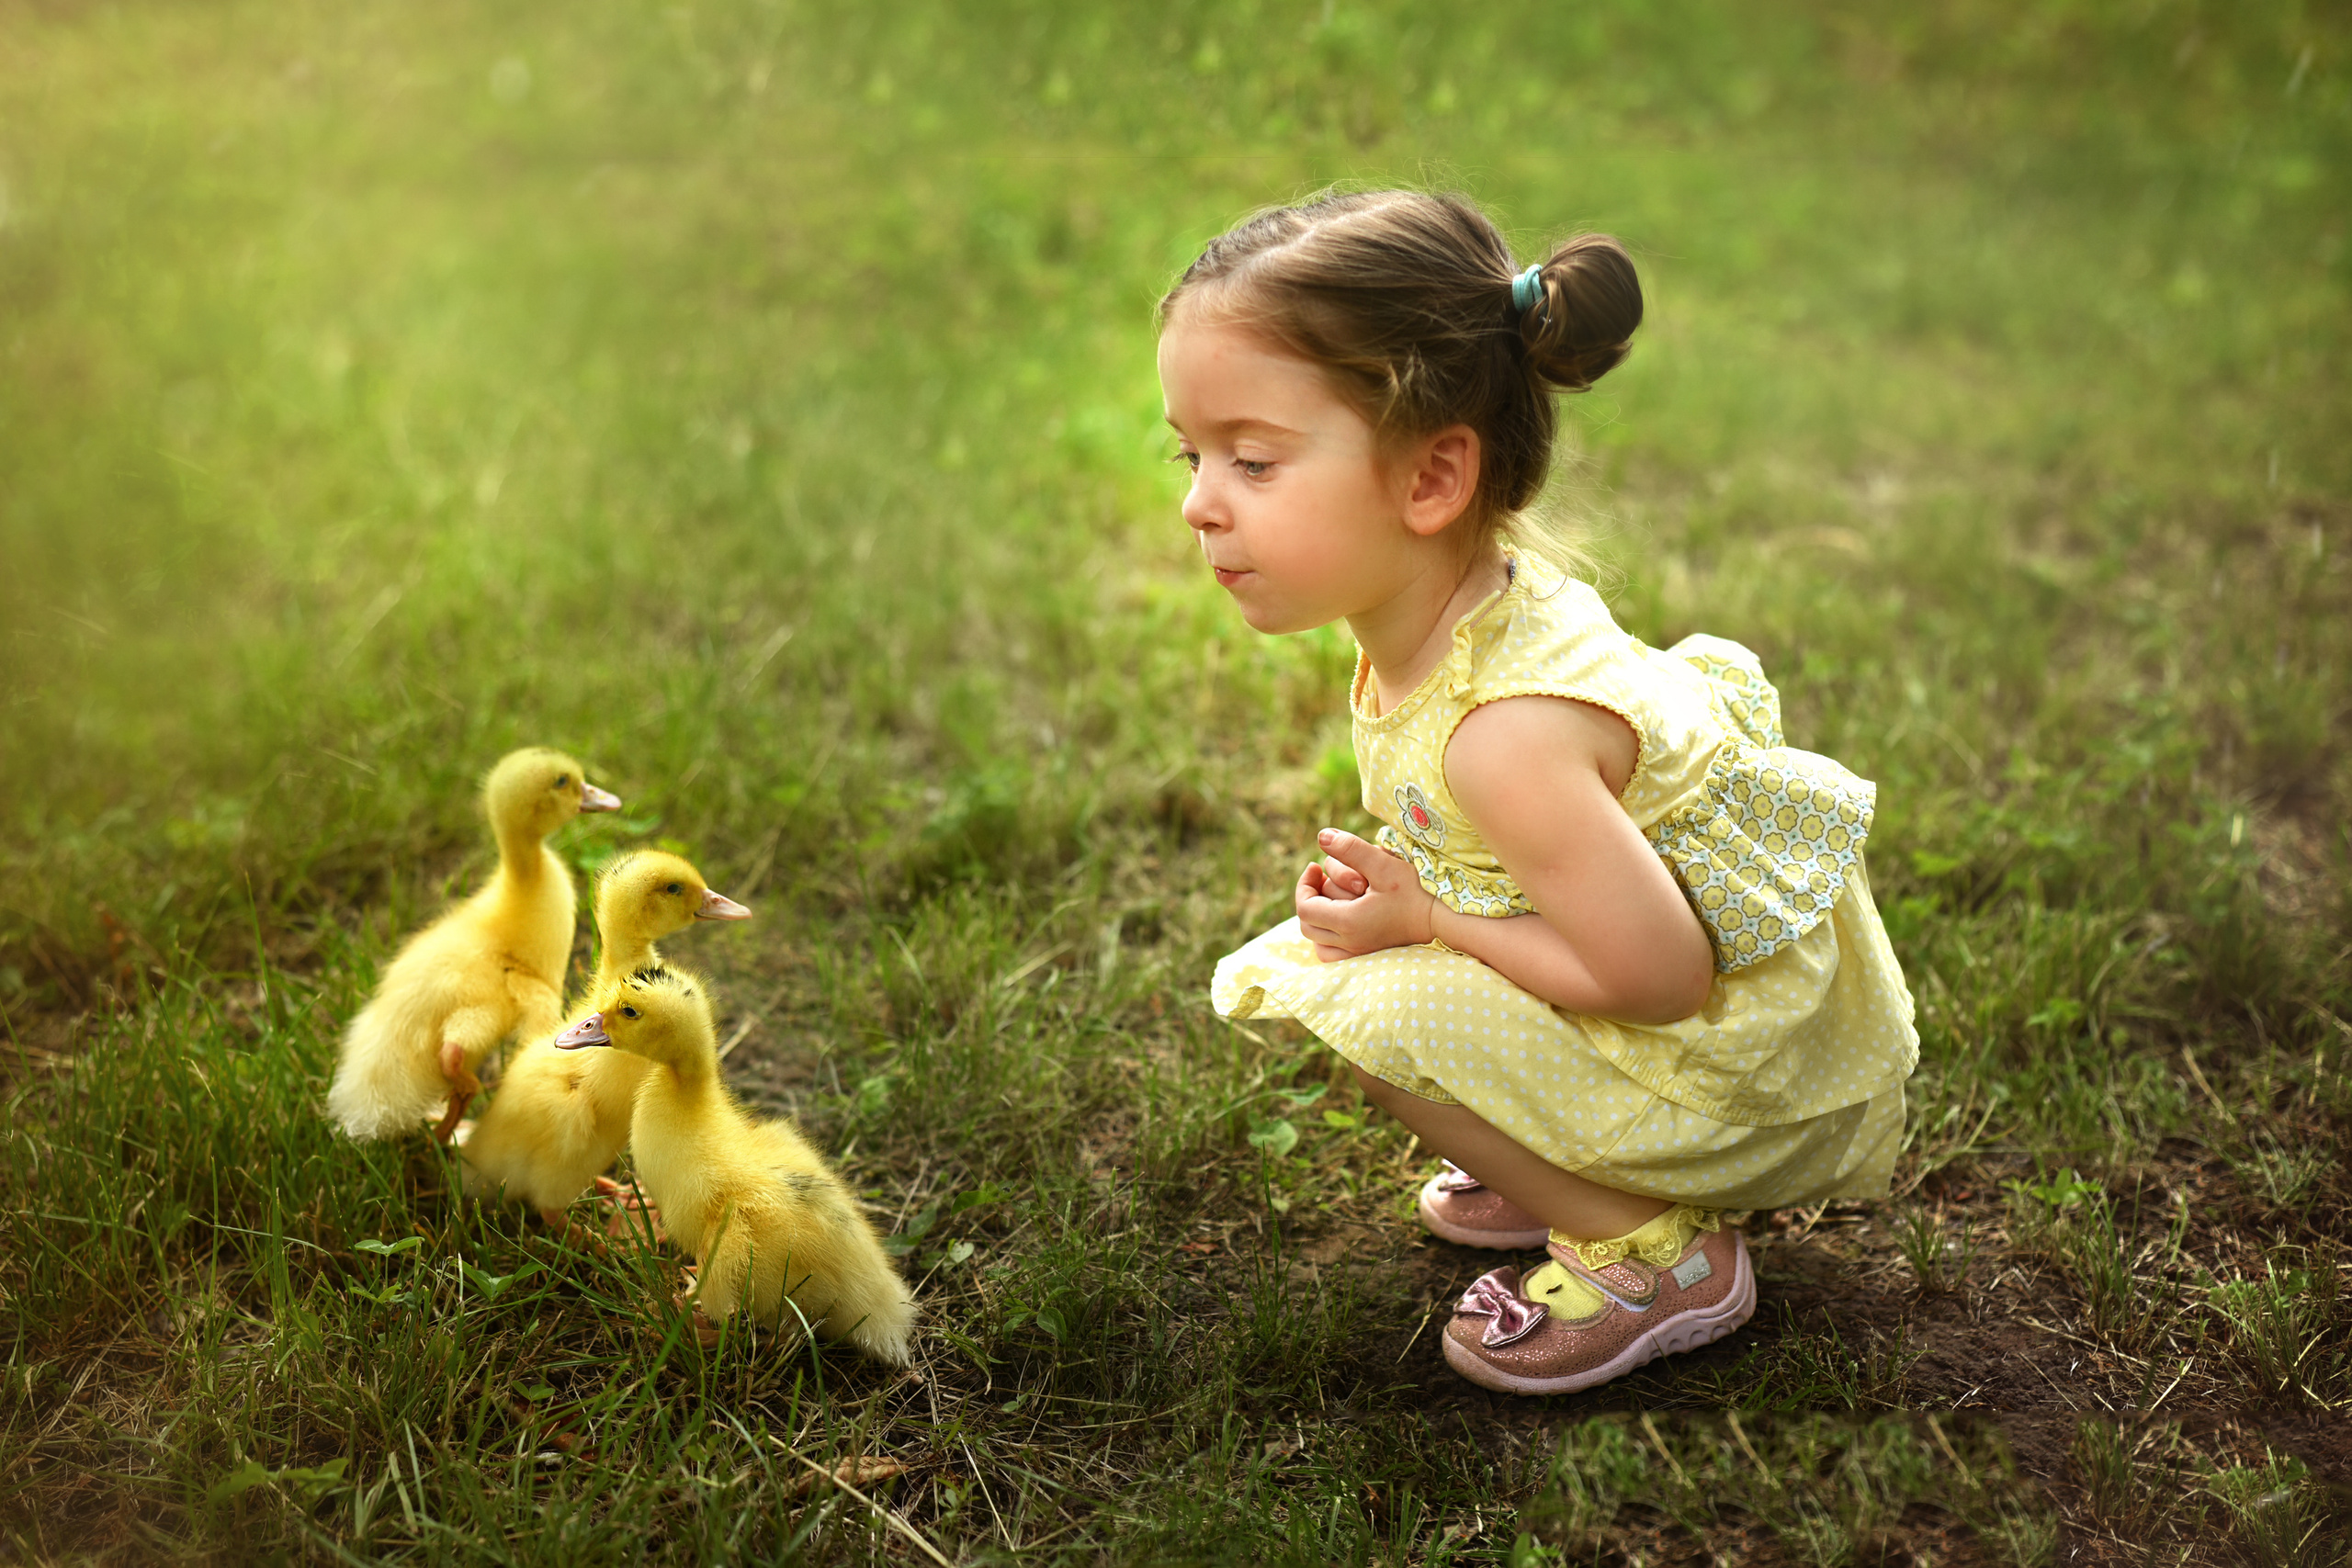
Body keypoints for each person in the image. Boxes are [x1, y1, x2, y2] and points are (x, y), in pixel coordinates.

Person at [1158, 190, 1918, 1395]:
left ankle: (1652, 1247)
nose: (1200, 500)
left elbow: (1661, 977)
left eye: (1251, 460)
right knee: (1372, 973)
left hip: (1742, 1078)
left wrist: (1427, 918)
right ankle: (1562, 1161)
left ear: (1431, 479)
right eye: (1191, 454)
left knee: (1369, 1008)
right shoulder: (1456, 618)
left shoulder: (1504, 734)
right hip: (1682, 1022)